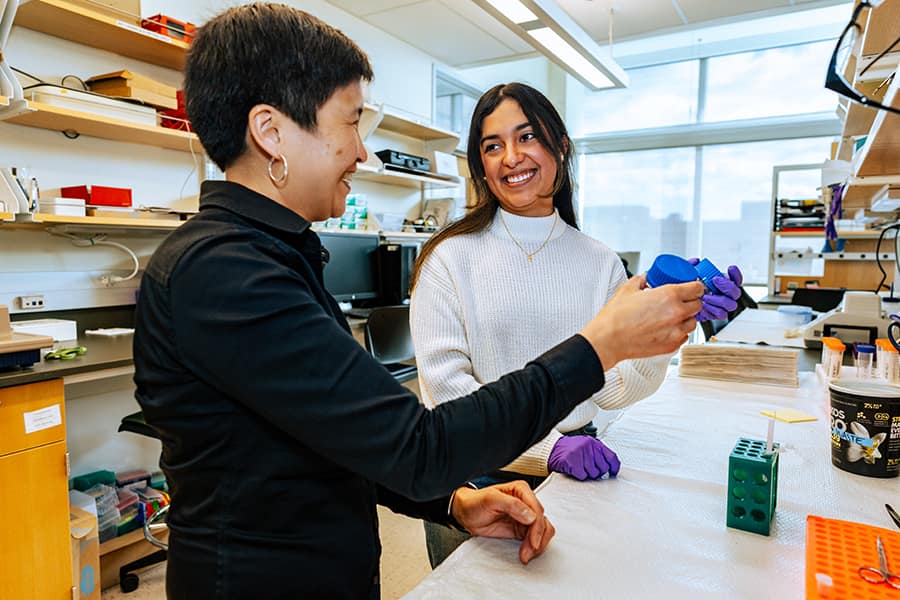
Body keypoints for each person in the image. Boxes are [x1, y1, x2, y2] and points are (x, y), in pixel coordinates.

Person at [132, 6, 705, 599]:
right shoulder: (225, 273)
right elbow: (420, 445)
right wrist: (599, 344)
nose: (362, 153)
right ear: (270, 132)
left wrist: (452, 502)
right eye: (351, 122)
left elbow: (349, 439)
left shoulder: (274, 255)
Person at [408, 82, 743, 567]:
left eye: (527, 137)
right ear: (479, 164)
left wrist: (669, 326)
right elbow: (446, 395)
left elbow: (614, 387)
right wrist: (549, 449)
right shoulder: (447, 258)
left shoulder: (599, 261)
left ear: (560, 146)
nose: (511, 158)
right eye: (493, 146)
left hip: (577, 473)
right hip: (475, 482)